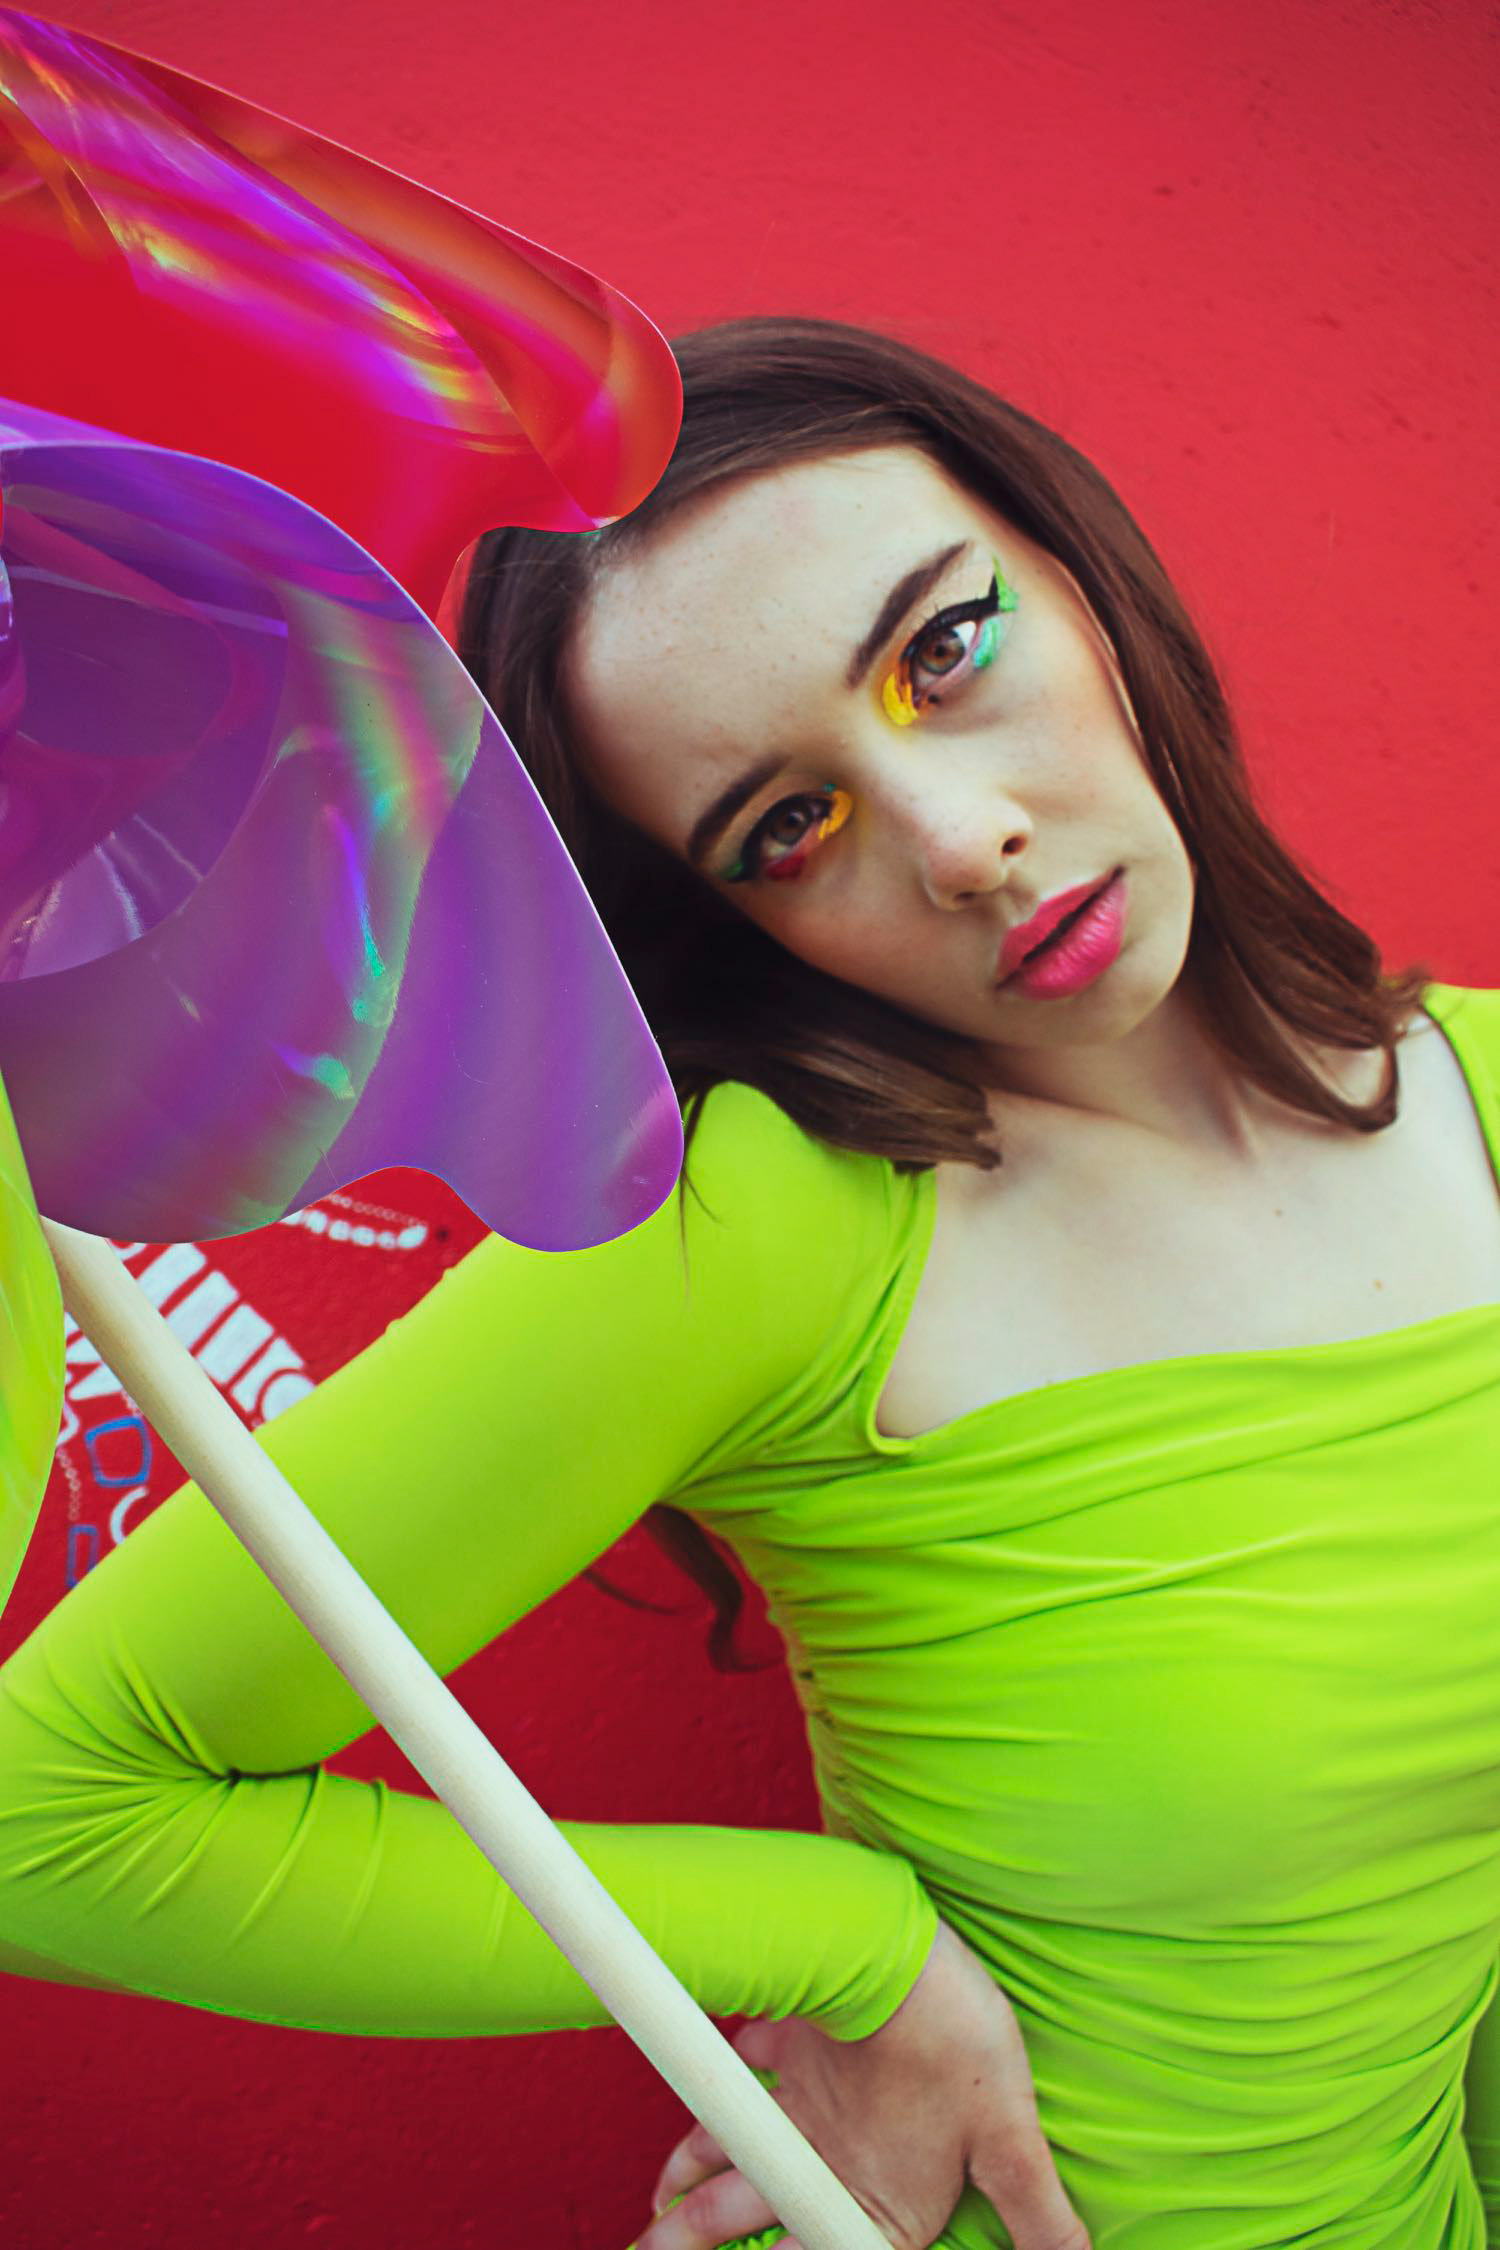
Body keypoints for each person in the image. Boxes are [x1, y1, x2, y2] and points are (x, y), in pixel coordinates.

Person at [1, 314, 1496, 2250]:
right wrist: (844, 1949)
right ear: (723, 914)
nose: (964, 843)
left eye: (945, 651)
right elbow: (45, 1812)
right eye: (787, 827)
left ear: (1077, 571)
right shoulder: (767, 1219)